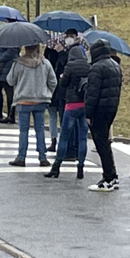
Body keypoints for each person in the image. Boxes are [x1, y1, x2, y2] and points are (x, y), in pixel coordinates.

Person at [6, 44, 56, 167]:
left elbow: (10, 80)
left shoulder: (18, 63)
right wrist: (47, 93)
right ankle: (42, 157)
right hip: (40, 100)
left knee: (23, 130)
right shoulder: (45, 63)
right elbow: (53, 81)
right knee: (39, 129)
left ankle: (21, 157)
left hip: (23, 100)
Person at [46, 44, 91, 180]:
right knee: (82, 138)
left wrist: (62, 77)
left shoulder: (69, 66)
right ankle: (80, 168)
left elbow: (63, 84)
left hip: (71, 105)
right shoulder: (89, 67)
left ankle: (56, 167)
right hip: (84, 105)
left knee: (64, 136)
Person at [84, 39, 123, 192]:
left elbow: (92, 93)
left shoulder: (97, 68)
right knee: (105, 143)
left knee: (101, 145)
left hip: (99, 110)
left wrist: (88, 113)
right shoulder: (115, 66)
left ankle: (109, 177)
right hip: (111, 108)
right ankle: (112, 176)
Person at [0, 44, 18, 123]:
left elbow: (11, 52)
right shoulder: (4, 38)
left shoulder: (13, 40)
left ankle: (11, 115)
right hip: (0, 68)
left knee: (9, 92)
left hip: (8, 67)